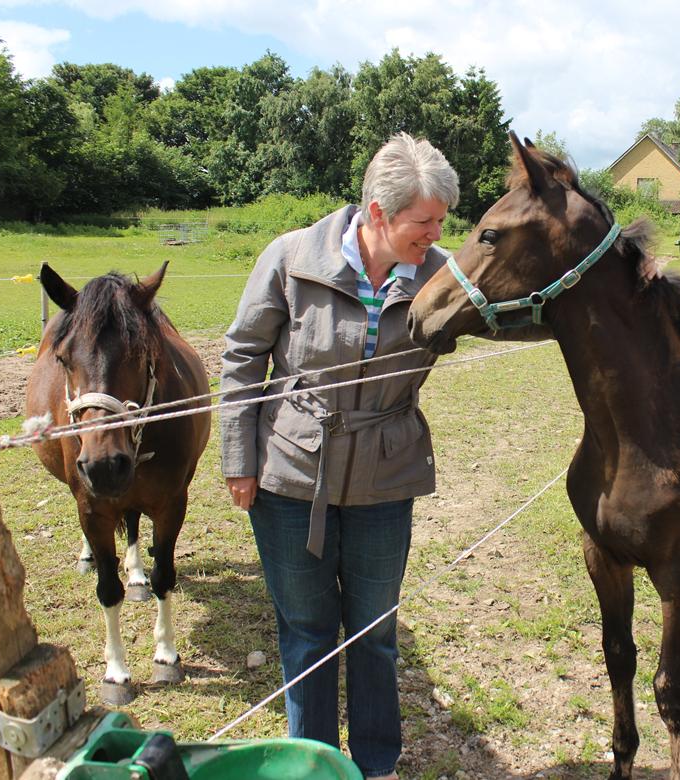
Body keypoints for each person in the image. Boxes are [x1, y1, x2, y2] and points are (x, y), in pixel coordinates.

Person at [220, 132, 458, 780]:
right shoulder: (290, 257)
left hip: (386, 477)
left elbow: (514, 310)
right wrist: (239, 458)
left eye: (442, 220)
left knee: (375, 632)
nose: (436, 233)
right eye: (425, 221)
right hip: (292, 478)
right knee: (306, 629)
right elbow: (242, 357)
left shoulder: (443, 277)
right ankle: (314, 764)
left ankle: (376, 765)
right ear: (379, 214)